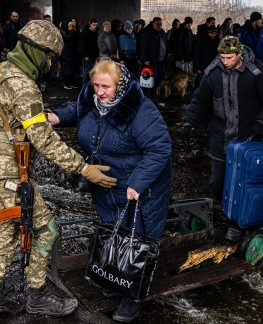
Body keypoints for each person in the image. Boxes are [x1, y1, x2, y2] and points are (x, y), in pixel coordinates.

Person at [0, 20, 116, 317]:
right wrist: (83, 168)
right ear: (37, 52)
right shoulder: (23, 85)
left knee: (7, 230)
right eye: (49, 57)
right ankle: (36, 296)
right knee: (47, 230)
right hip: (8, 171)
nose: (50, 64)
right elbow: (44, 140)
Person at [47, 58, 172, 322]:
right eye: (96, 85)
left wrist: (137, 183)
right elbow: (78, 111)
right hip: (105, 182)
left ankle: (132, 297)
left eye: (106, 86)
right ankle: (115, 280)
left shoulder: (140, 110)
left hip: (140, 187)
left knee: (136, 238)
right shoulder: (91, 99)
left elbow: (160, 150)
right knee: (113, 230)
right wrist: (58, 116)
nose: (100, 92)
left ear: (121, 84)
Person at [182, 36, 263, 240]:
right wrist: (188, 123)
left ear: (239, 54)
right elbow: (199, 100)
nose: (225, 61)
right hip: (220, 136)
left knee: (242, 182)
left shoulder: (256, 73)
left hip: (246, 138)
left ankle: (236, 223)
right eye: (222, 57)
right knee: (218, 181)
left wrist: (261, 122)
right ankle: (226, 210)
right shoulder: (213, 74)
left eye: (229, 57)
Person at [140, 17, 168, 96]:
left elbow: (165, 44)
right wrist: (145, 59)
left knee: (161, 76)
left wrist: (168, 52)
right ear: (153, 24)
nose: (159, 26)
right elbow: (143, 47)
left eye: (161, 24)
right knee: (151, 78)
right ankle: (150, 95)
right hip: (151, 60)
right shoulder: (148, 33)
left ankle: (155, 92)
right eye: (157, 24)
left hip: (161, 60)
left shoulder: (162, 33)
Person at [192, 25, 219, 89]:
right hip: (202, 66)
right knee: (202, 84)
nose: (213, 35)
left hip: (213, 66)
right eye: (211, 33)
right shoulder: (201, 40)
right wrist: (198, 68)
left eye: (214, 33)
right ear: (208, 33)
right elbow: (196, 54)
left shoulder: (217, 40)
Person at [78, 18, 99, 86]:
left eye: (96, 25)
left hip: (94, 55)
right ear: (90, 25)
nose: (95, 26)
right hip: (88, 55)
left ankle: (89, 85)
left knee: (92, 71)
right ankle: (84, 86)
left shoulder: (95, 33)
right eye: (94, 25)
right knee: (87, 71)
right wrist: (85, 55)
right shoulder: (85, 33)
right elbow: (82, 45)